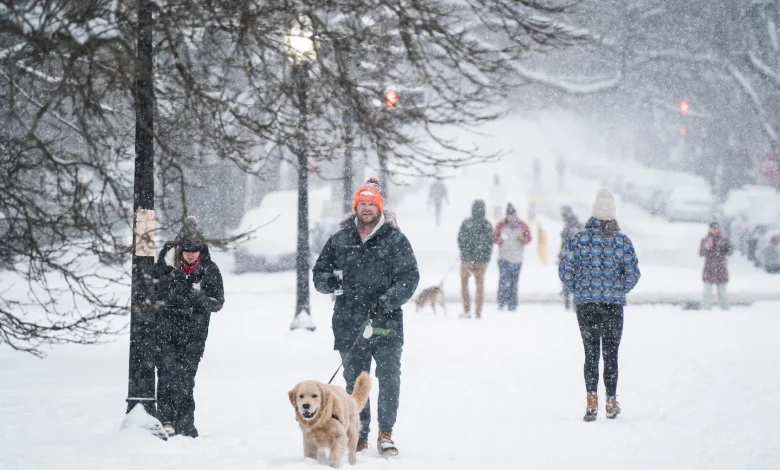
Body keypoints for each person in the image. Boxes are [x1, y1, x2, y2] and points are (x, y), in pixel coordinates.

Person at [313, 177, 420, 457]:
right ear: (356, 207)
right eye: (363, 203)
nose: (367, 208)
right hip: (349, 323)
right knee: (356, 382)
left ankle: (386, 433)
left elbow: (409, 277)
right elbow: (319, 273)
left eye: (372, 203)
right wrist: (330, 283)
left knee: (388, 378)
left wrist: (387, 301)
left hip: (386, 323)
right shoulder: (340, 239)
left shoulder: (395, 240)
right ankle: (359, 434)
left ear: (380, 207)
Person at [559, 188, 641, 422]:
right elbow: (633, 273)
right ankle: (611, 402)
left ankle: (591, 402)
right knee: (611, 354)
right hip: (613, 306)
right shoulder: (622, 242)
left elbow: (565, 271)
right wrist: (618, 289)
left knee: (591, 354)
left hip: (586, 306)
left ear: (593, 214)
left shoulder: (578, 240)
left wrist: (580, 289)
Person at [153, 216, 225, 438]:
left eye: (195, 250)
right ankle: (165, 420)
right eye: (186, 250)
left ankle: (185, 423)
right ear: (180, 250)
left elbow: (217, 302)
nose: (190, 254)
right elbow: (154, 296)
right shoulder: (167, 270)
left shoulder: (210, 271)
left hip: (194, 336)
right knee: (166, 375)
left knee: (185, 380)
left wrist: (197, 298)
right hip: (167, 332)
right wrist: (172, 295)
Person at [457, 200, 494, 319]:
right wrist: (486, 258)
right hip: (481, 261)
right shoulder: (487, 225)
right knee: (479, 287)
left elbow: (460, 239)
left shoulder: (467, 223)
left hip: (467, 260)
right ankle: (478, 311)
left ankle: (467, 309)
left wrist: (464, 250)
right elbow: (490, 244)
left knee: (464, 285)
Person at [493, 204, 532, 311]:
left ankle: (512, 304)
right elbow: (495, 237)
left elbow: (528, 239)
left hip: (517, 258)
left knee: (514, 282)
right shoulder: (501, 225)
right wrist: (499, 240)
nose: (511, 218)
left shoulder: (523, 226)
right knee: (503, 281)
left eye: (513, 215)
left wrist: (523, 239)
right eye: (509, 215)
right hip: (503, 258)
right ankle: (501, 303)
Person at [699, 222, 732, 310]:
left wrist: (724, 246)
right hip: (709, 269)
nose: (715, 230)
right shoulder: (706, 240)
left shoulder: (723, 240)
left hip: (721, 269)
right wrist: (706, 247)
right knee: (707, 292)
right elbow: (701, 253)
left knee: (722, 293)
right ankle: (705, 310)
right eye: (713, 228)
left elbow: (729, 251)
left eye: (716, 228)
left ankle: (725, 310)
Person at [558, 206, 581, 310]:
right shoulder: (570, 223)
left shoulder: (571, 223)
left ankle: (570, 303)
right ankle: (570, 303)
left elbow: (567, 239)